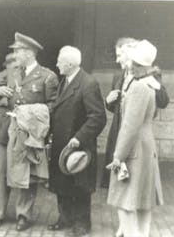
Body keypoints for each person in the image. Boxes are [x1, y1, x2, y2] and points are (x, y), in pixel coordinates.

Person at [0, 32, 59, 231]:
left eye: (18, 51)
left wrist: (33, 116)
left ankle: (23, 215)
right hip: (8, 131)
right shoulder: (11, 72)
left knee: (26, 175)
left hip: (29, 135)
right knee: (1, 173)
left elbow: (53, 105)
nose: (14, 54)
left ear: (29, 53)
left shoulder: (47, 76)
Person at [107, 40, 164, 237]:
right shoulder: (150, 84)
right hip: (145, 146)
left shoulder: (139, 87)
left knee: (125, 201)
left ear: (134, 63)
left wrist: (118, 156)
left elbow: (130, 126)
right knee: (143, 200)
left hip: (134, 149)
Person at [48, 46, 106, 236]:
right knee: (62, 182)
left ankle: (82, 223)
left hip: (78, 146)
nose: (57, 64)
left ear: (70, 64)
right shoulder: (65, 81)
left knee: (79, 184)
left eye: (60, 61)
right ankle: (65, 218)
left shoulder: (88, 84)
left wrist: (78, 138)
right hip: (61, 144)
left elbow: (97, 117)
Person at [102, 37, 169, 188]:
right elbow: (118, 108)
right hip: (118, 131)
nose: (118, 60)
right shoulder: (118, 76)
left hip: (136, 135)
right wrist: (108, 102)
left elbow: (164, 101)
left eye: (119, 55)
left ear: (130, 53)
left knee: (133, 183)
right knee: (117, 183)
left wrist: (152, 81)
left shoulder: (149, 74)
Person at [0, 53, 22, 228]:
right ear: (6, 64)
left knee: (24, 170)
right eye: (11, 63)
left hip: (24, 128)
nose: (14, 66)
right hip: (4, 128)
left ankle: (23, 214)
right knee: (1, 170)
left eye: (17, 63)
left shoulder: (28, 75)